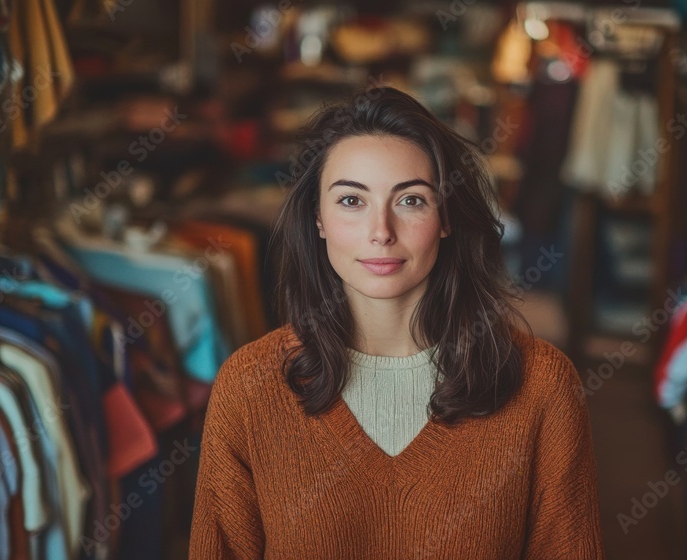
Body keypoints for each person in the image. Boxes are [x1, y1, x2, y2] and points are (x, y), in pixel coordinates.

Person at [189, 86, 604, 559]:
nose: (381, 231)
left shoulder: (543, 387)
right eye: (351, 201)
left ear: (445, 217)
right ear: (318, 217)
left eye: (410, 201)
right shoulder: (248, 388)